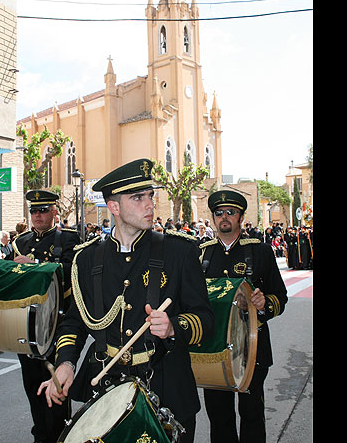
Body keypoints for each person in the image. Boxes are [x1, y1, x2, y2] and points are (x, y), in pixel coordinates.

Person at [38, 159, 215, 443]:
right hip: (107, 389)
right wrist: (66, 364)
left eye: (150, 196)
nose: (149, 204)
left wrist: (173, 327)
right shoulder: (86, 259)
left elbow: (205, 318)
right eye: (137, 198)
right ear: (114, 207)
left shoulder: (179, 252)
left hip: (166, 386)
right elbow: (75, 321)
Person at [199, 190, 288, 443]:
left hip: (253, 347)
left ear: (240, 217)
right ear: (213, 218)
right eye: (219, 213)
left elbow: (280, 297)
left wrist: (263, 305)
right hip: (212, 349)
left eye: (231, 212)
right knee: (219, 417)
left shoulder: (261, 252)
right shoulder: (201, 254)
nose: (224, 217)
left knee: (251, 414)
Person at [3, 190, 81, 443]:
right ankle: (40, 434)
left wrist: (35, 266)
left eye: (43, 210)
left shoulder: (70, 239)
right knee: (32, 385)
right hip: (26, 327)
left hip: (57, 325)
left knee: (57, 391)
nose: (37, 215)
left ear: (54, 212)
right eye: (33, 211)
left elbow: (74, 273)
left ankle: (59, 435)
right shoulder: (20, 242)